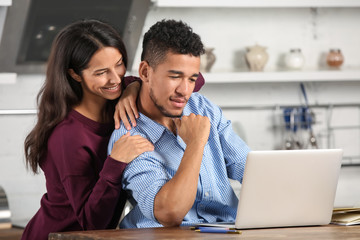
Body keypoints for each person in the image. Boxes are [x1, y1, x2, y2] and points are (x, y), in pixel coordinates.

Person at [107, 19, 251, 228]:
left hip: (228, 230)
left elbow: (250, 170)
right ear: (145, 72)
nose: (185, 90)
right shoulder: (129, 136)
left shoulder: (203, 108)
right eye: (175, 76)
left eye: (192, 79)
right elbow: (169, 213)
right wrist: (195, 144)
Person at [21, 19, 157, 240]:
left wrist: (134, 86)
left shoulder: (118, 98)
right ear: (75, 74)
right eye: (101, 72)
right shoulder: (68, 135)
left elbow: (193, 80)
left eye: (119, 63)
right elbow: (92, 221)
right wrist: (116, 161)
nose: (115, 78)